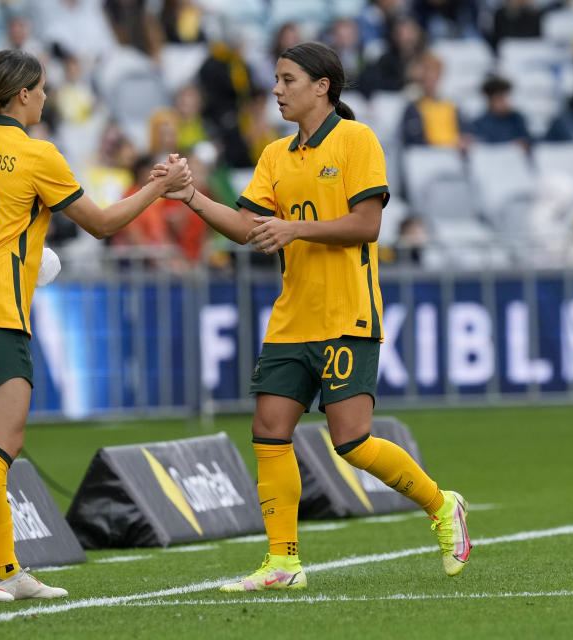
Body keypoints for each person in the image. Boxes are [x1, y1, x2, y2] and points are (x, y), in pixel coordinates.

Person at [160, 41, 471, 592]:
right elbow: (246, 226)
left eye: (287, 80)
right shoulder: (274, 155)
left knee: (351, 440)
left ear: (322, 86)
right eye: (276, 80)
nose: (276, 90)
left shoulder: (357, 140)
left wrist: (295, 228)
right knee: (269, 429)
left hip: (348, 314)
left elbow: (367, 225)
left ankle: (442, 504)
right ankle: (283, 561)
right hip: (291, 318)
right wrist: (192, 197)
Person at [0, 48, 191, 603]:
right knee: (5, 441)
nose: (45, 98)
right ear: (22, 95)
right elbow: (104, 225)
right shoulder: (38, 155)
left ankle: (9, 569)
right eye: (40, 90)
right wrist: (159, 186)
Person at [470, 75, 531, 149]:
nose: (503, 101)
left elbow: (528, 140)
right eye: (498, 98)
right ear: (490, 100)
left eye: (504, 97)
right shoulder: (479, 124)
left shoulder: (517, 120)